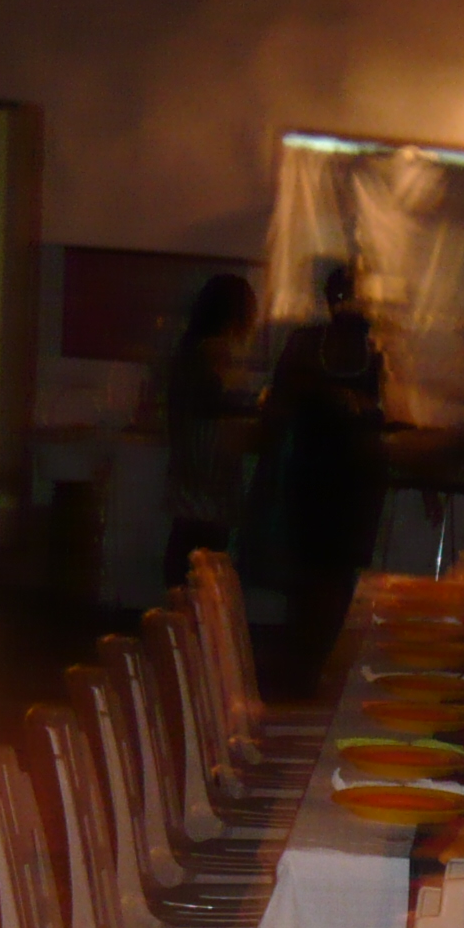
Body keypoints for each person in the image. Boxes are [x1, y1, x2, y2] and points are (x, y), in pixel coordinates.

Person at [240, 260, 387, 688]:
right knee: (312, 579)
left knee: (335, 581)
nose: (350, 304)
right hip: (312, 477)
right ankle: (305, 675)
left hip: (352, 483)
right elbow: (279, 404)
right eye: (344, 295)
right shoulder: (306, 344)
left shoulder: (375, 349)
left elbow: (385, 414)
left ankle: (320, 673)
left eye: (356, 295)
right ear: (331, 298)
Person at [160, 272, 258, 582]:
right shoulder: (216, 350)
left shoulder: (190, 349)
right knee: (206, 554)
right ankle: (195, 604)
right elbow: (224, 402)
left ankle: (179, 600)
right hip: (210, 469)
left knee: (186, 541)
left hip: (190, 462)